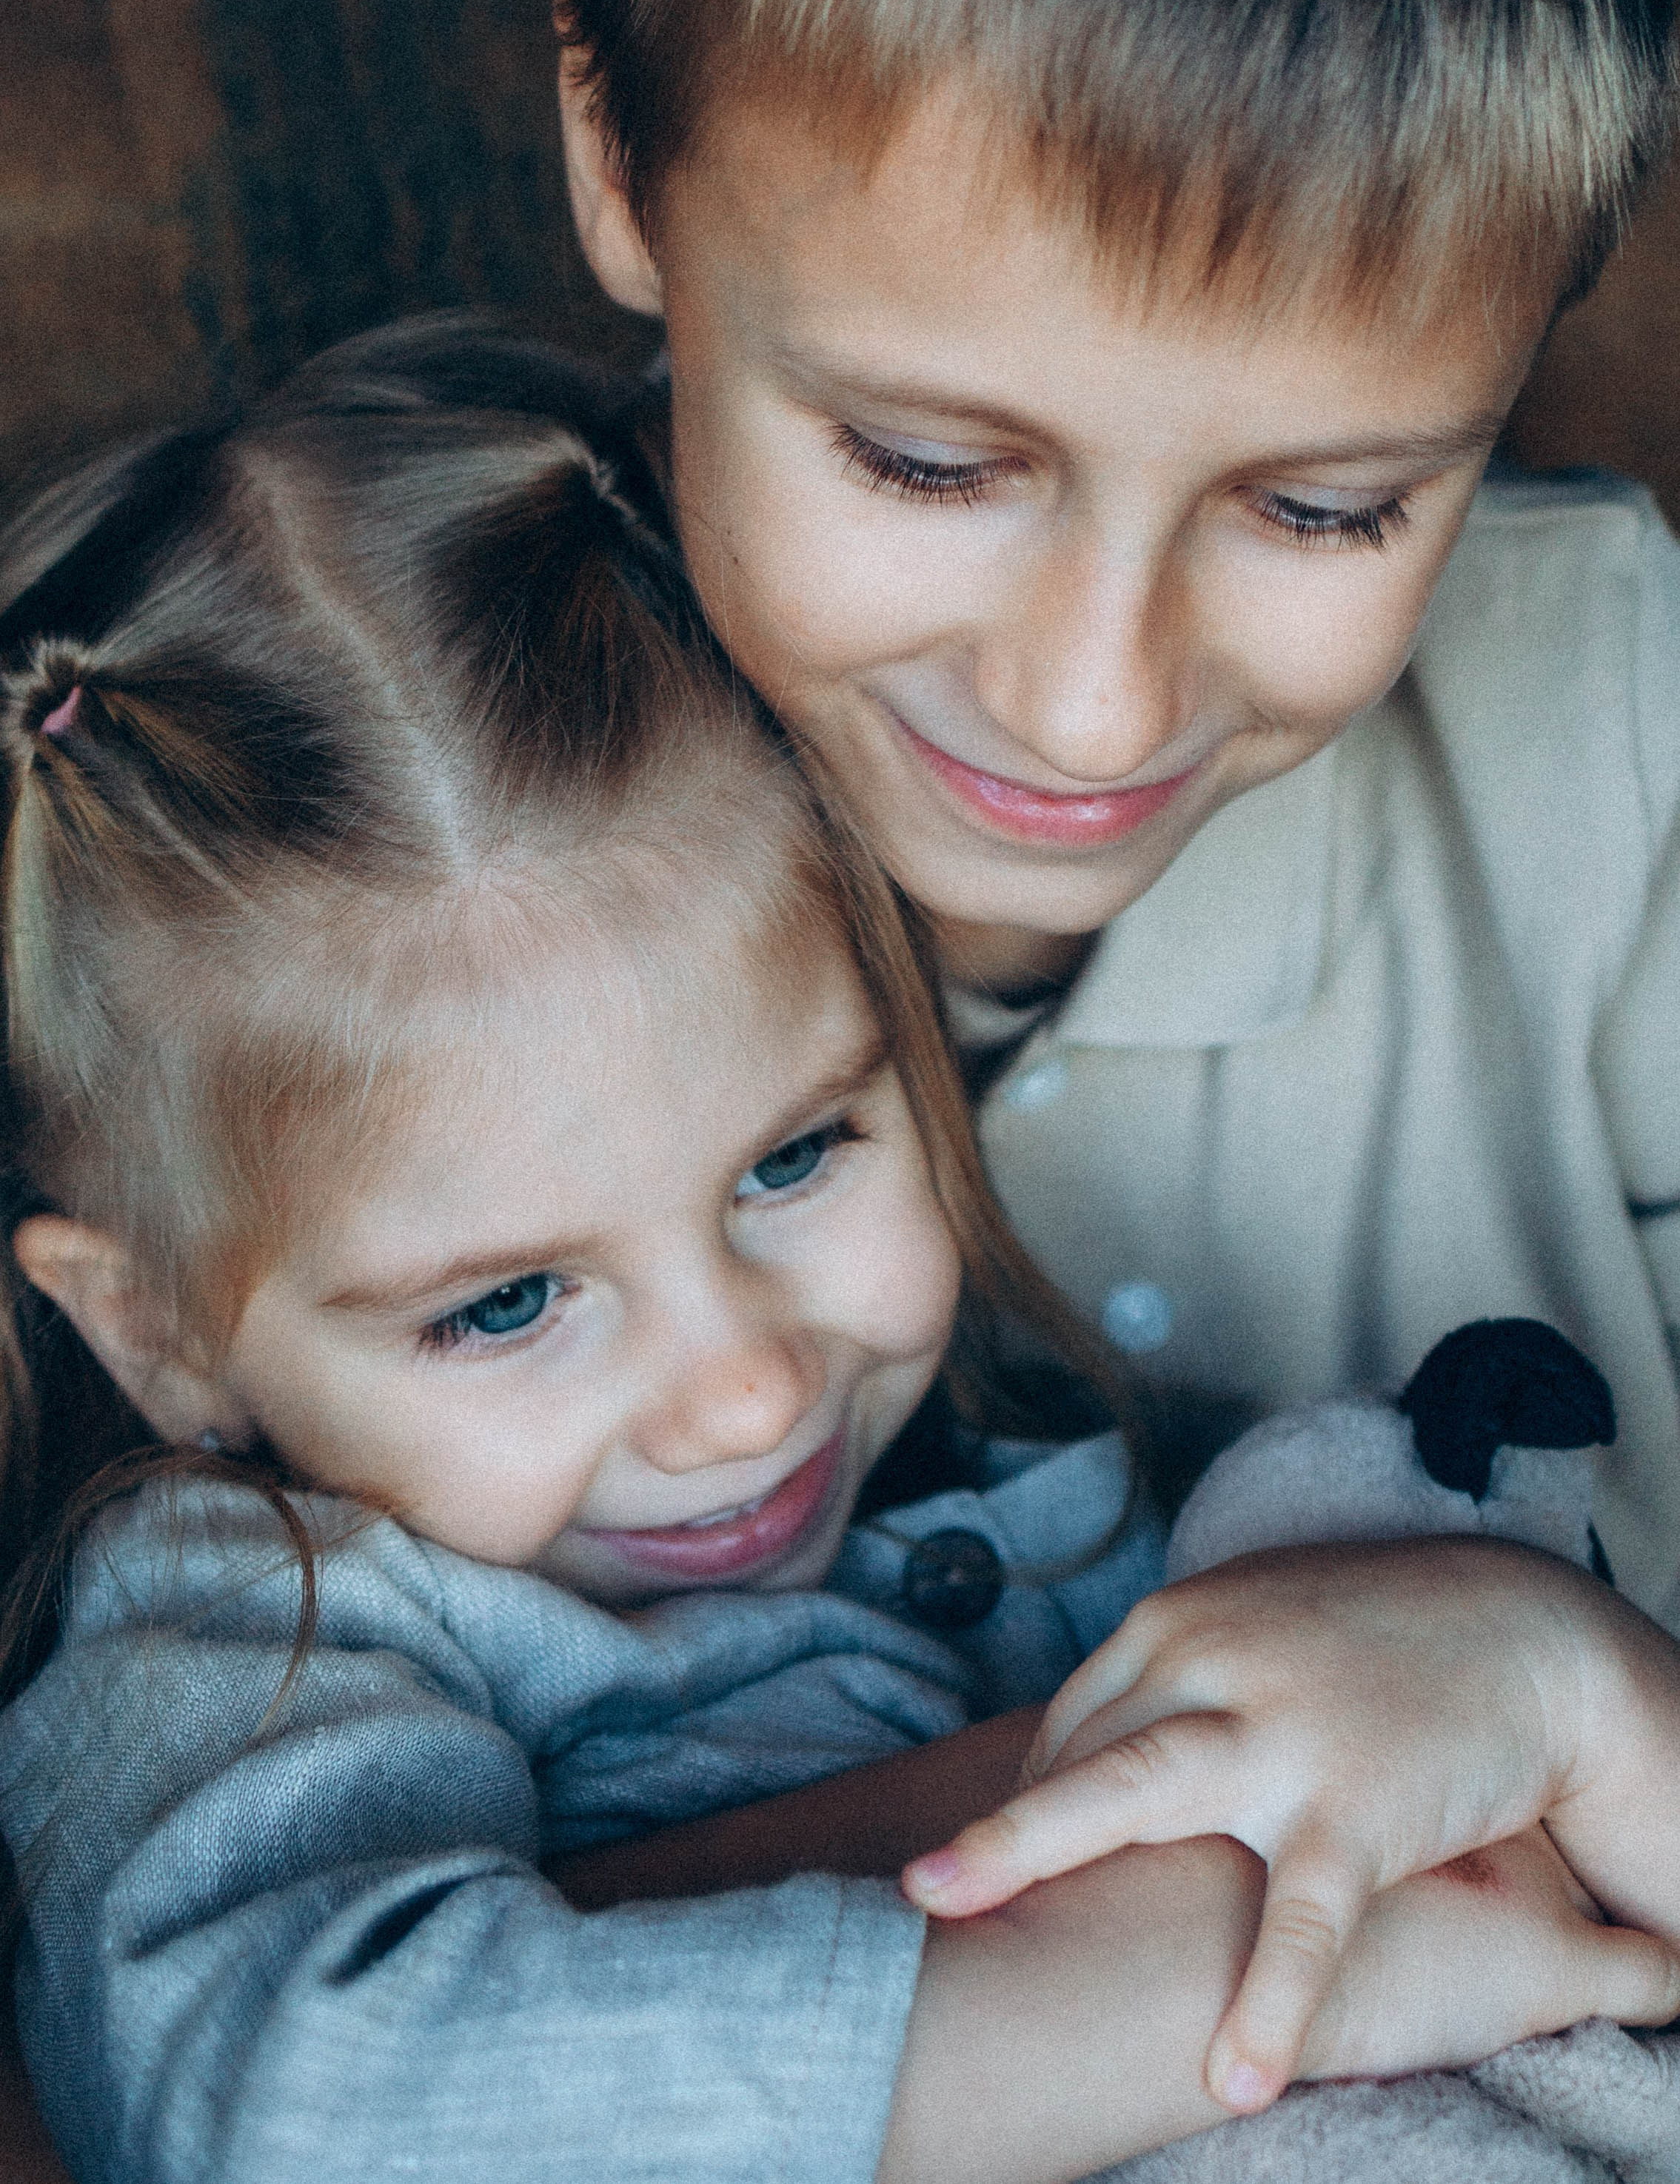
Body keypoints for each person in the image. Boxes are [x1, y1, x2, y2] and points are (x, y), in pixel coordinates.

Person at [0, 323, 1674, 2184]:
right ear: (160, 1333)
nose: (744, 1394)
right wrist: (1256, 1982)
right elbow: (308, 2112)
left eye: (794, 1158)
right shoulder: (250, 1641)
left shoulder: (1056, 1499)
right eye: (506, 1303)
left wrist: (1505, 1673)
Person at [558, 0, 1680, 1618]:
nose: (1093, 711)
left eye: (1326, 508)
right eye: (922, 463)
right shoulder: (326, 816)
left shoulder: (1625, 729)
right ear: (612, 157)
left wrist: (1588, 1712)